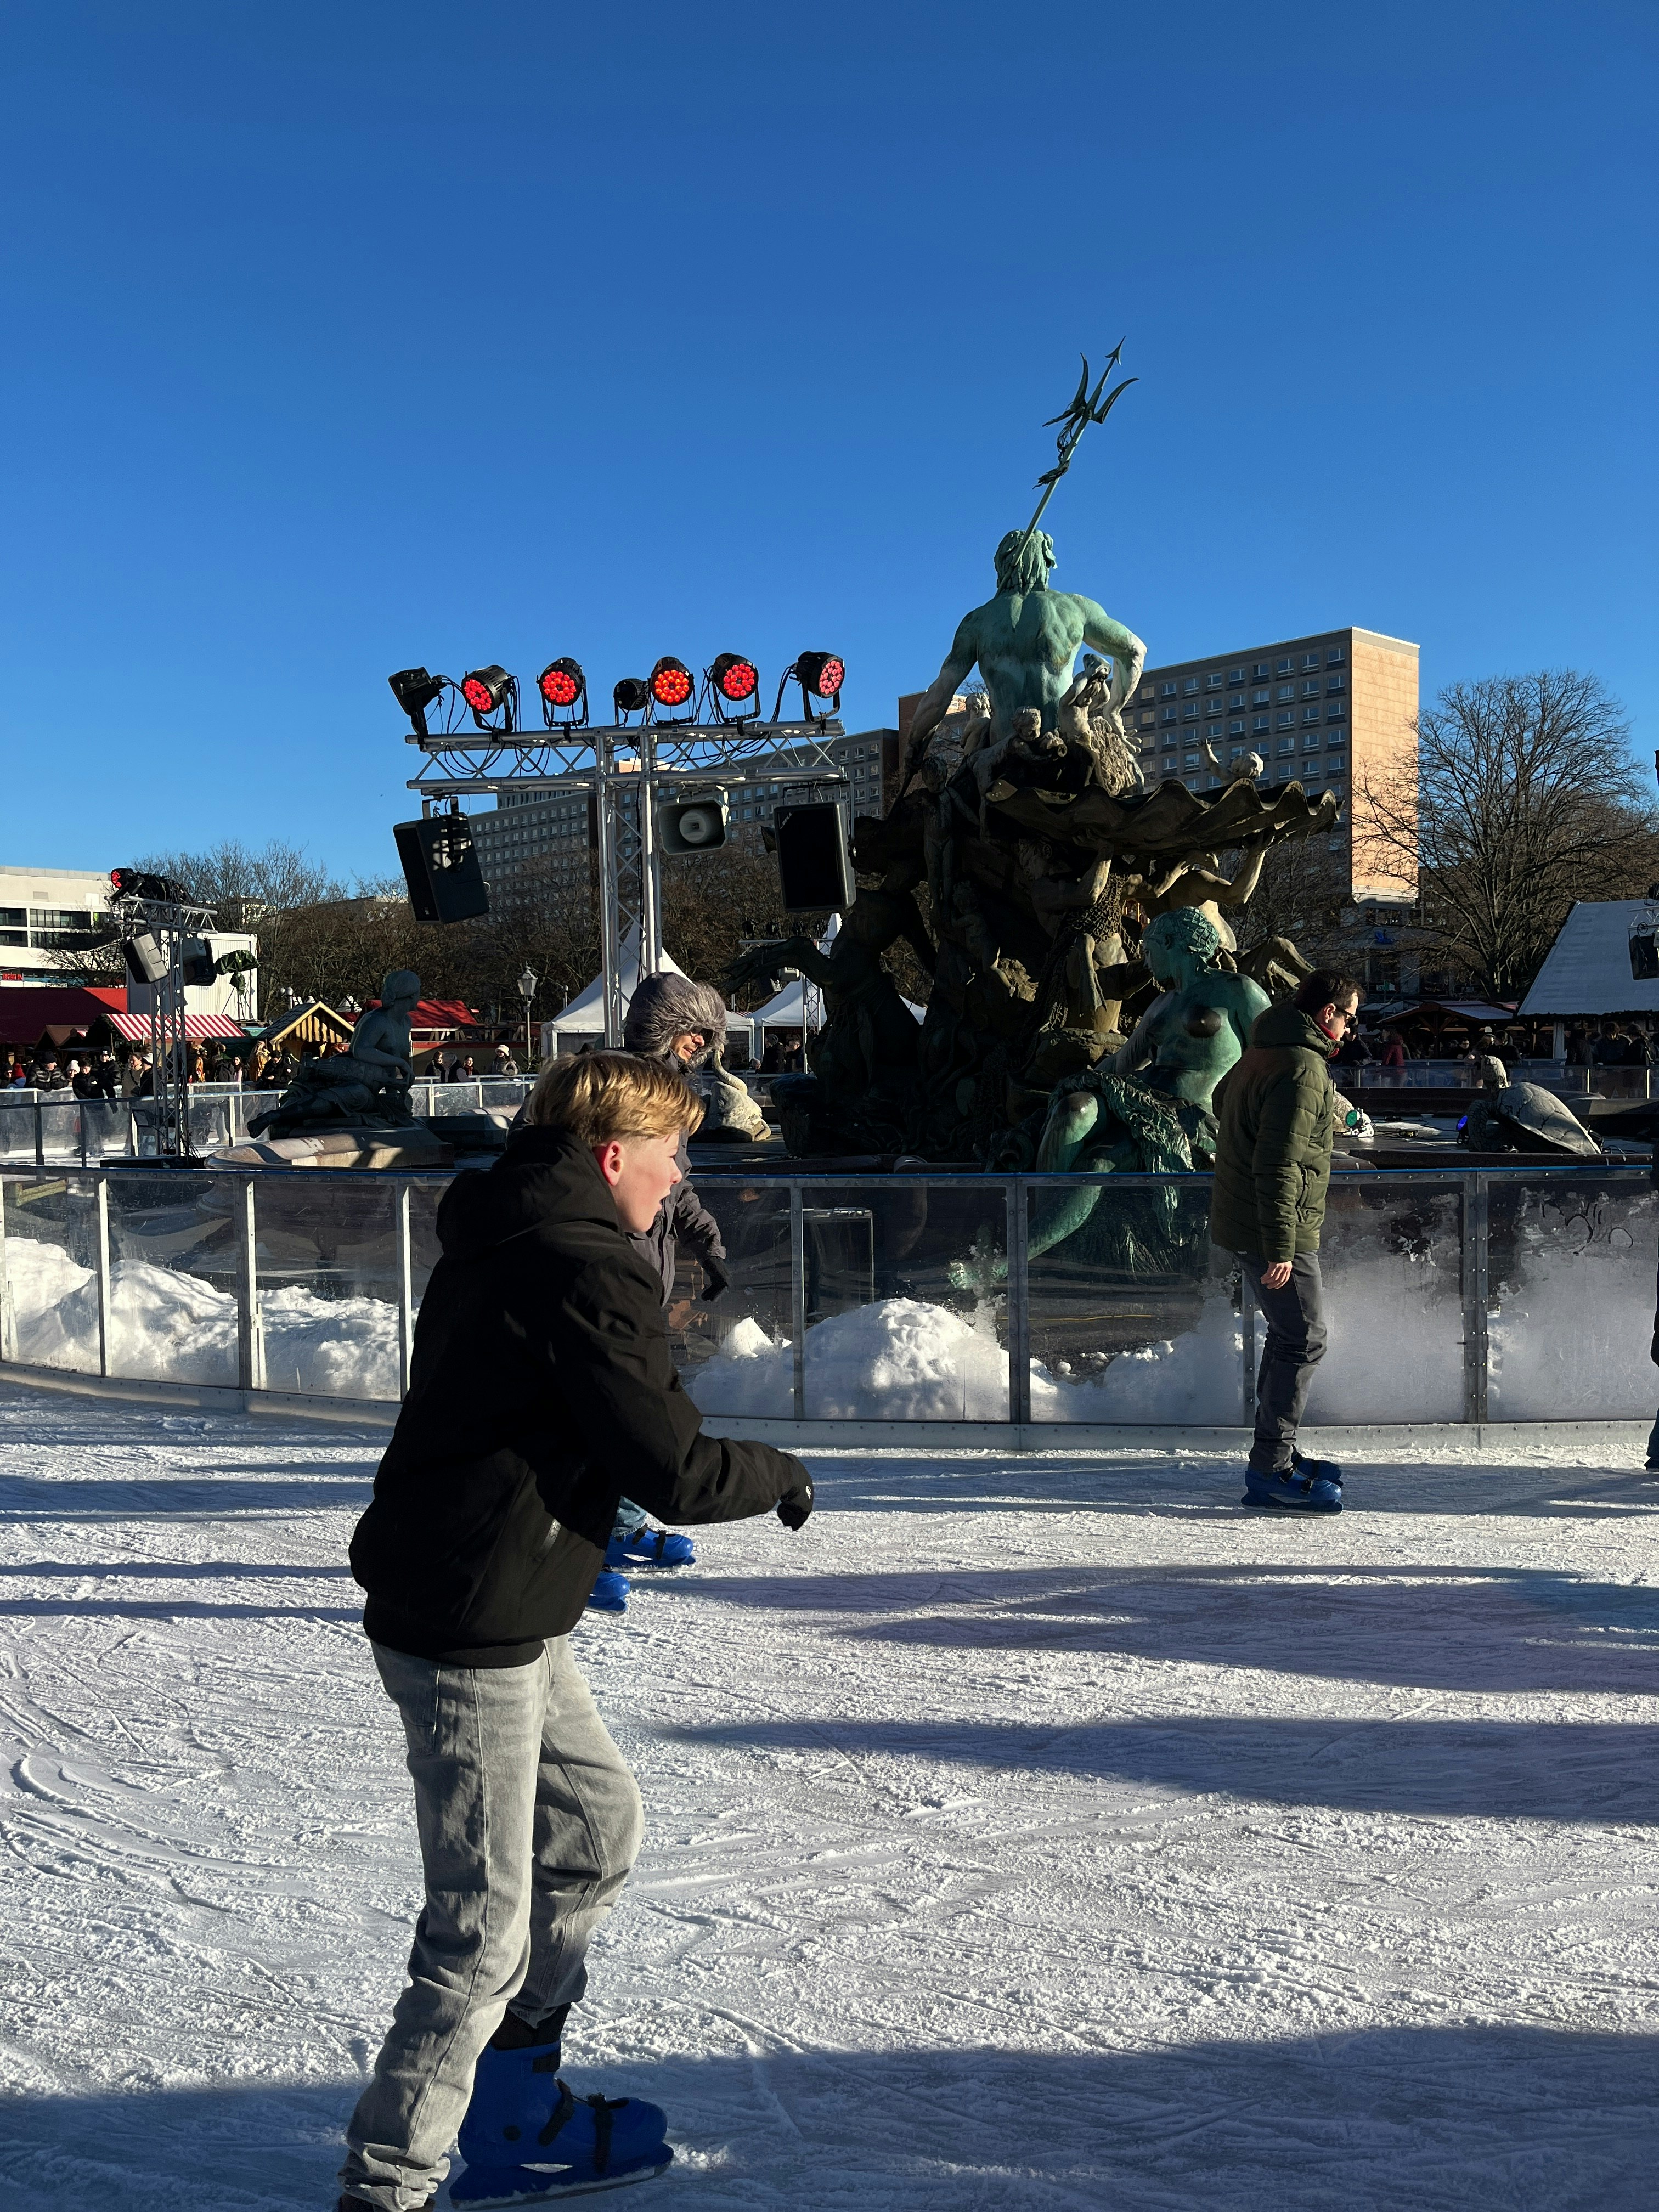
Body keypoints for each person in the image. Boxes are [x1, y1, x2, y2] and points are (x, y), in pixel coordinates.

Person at [338, 1051, 811, 2212]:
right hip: (472, 1620)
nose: (679, 1173)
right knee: (479, 1935)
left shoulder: (513, 1227)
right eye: (670, 1153)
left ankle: (511, 2099)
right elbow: (671, 1466)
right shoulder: (581, 1261)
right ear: (614, 1157)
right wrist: (780, 1473)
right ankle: (386, 2187)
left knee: (595, 1826)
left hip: (509, 1598)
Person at [590, 975, 734, 1614]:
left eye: (705, 1038)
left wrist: (709, 1243)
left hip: (645, 1278)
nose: (699, 1047)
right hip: (605, 1274)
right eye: (693, 1033)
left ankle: (617, 1527)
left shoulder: (672, 1096)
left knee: (632, 1410)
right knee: (598, 1415)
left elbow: (676, 1188)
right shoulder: (618, 1088)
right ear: (668, 1030)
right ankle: (574, 1544)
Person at [1210, 969, 1361, 1513]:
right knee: (1304, 1337)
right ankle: (1272, 1466)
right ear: (1327, 1014)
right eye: (1349, 1015)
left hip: (1248, 1220)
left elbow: (1225, 1098)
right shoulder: (1302, 1068)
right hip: (1276, 1229)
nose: (1351, 1026)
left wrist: (1328, 1110)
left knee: (1289, 1334)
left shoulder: (1267, 1049)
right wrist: (1279, 1245)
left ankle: (1278, 1454)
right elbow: (1279, 1164)